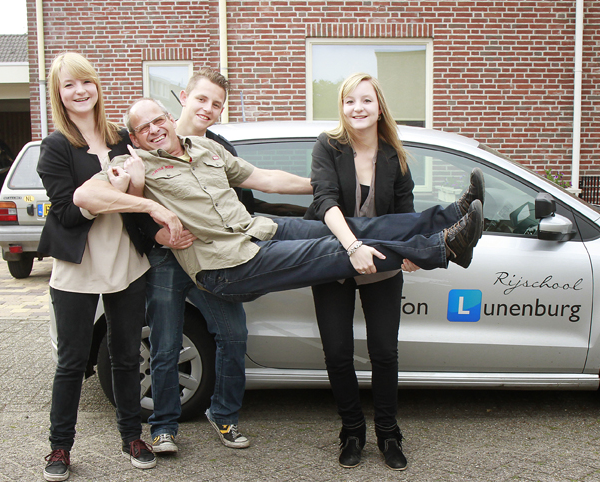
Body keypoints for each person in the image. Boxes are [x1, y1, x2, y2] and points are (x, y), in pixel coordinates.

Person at [72, 97, 484, 307]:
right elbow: (84, 195)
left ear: (169, 117)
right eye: (143, 128)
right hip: (226, 265)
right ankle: (443, 247)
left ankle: (452, 215)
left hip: (259, 231)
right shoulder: (134, 164)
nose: (154, 130)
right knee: (337, 249)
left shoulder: (206, 148)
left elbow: (265, 178)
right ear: (135, 138)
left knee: (353, 228)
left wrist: (324, 187)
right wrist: (152, 206)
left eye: (158, 120)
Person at [304, 72, 484, 471]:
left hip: (381, 262)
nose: (358, 108)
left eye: (366, 100)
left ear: (379, 107)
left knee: (384, 352)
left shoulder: (394, 156)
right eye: (350, 101)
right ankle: (352, 431)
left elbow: (404, 215)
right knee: (337, 353)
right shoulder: (327, 146)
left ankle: (388, 433)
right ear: (342, 107)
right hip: (334, 256)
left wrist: (411, 250)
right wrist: (352, 247)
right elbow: (324, 202)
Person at [145, 68, 287, 454]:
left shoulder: (218, 147)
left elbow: (244, 197)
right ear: (183, 97)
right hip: (167, 258)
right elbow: (129, 199)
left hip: (213, 257)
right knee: (165, 342)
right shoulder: (153, 138)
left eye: (217, 104)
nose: (208, 108)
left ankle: (223, 414)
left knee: (233, 334)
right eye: (201, 99)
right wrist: (156, 233)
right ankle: (163, 426)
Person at [37, 53, 161, 482]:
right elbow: (67, 213)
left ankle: (132, 437)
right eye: (69, 85)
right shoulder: (55, 147)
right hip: (78, 266)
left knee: (126, 356)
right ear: (58, 94)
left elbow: (140, 198)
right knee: (72, 362)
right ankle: (60, 446)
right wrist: (106, 191)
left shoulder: (121, 138)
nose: (80, 91)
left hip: (126, 260)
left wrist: (132, 188)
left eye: (85, 81)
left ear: (97, 86)